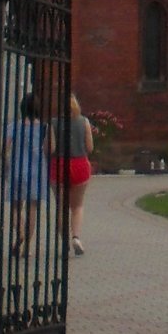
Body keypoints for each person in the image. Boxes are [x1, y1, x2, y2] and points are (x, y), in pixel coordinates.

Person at [5, 92, 48, 259]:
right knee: (32, 209)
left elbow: (6, 148)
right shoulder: (44, 127)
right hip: (37, 171)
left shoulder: (14, 126)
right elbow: (49, 149)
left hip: (17, 168)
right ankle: (26, 248)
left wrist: (6, 161)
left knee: (16, 208)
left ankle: (20, 232)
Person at [52, 93, 95, 254]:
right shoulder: (84, 122)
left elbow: (50, 148)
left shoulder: (54, 123)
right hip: (79, 164)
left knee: (61, 206)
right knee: (77, 206)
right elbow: (90, 148)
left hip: (60, 164)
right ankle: (76, 237)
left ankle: (63, 241)